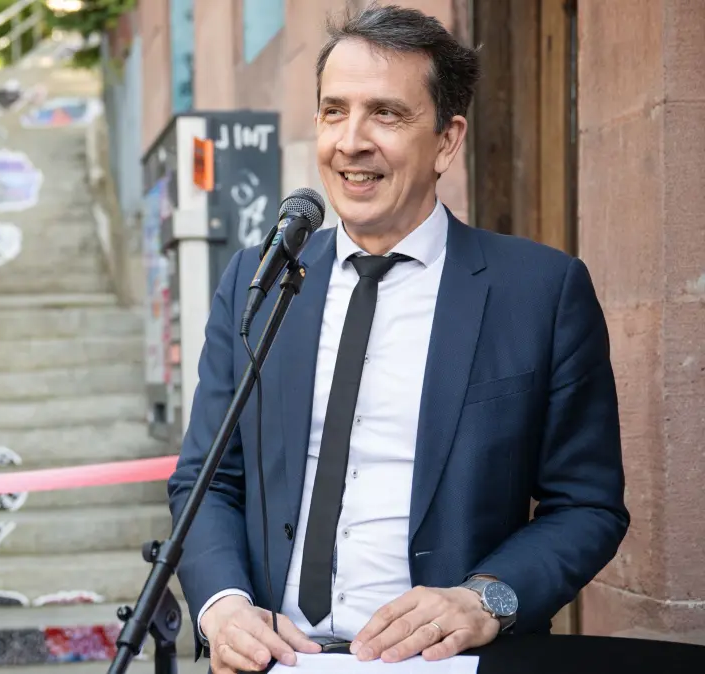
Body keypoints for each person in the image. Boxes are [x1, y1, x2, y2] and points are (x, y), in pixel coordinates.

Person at [166, 4, 629, 673]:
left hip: (448, 666)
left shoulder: (541, 292)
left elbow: (586, 505)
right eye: (333, 111)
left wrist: (485, 601)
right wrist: (224, 606)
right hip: (279, 664)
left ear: (446, 140)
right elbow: (206, 482)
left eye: (385, 113)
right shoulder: (256, 282)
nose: (350, 140)